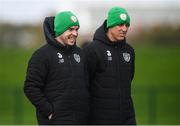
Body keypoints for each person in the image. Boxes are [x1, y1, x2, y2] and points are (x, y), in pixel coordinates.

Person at [24, 11, 89, 125]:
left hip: (80, 121)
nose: (75, 33)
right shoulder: (42, 55)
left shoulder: (80, 54)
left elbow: (87, 85)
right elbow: (31, 87)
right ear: (60, 30)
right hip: (55, 121)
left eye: (76, 29)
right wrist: (49, 111)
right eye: (70, 29)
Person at [83, 7, 136, 124]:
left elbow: (128, 79)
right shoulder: (92, 50)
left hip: (127, 119)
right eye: (120, 25)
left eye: (127, 25)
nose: (124, 29)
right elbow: (83, 85)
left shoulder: (129, 51)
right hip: (100, 120)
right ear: (110, 25)